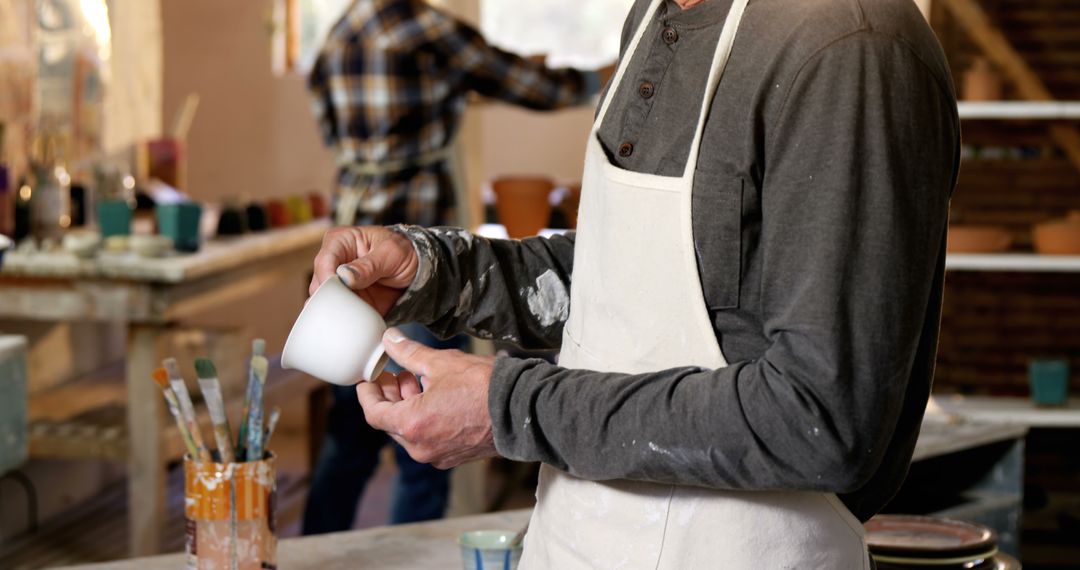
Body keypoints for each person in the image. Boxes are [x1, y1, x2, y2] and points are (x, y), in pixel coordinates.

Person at [309, 0, 961, 566]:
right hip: (576, 543)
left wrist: (511, 407)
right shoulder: (651, 17)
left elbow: (821, 419)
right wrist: (430, 269)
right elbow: (622, 281)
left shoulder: (849, 47)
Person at [300, 0, 612, 534]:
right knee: (422, 435)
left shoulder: (337, 35)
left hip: (351, 249)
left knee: (348, 434)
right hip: (415, 257)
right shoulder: (424, 27)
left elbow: (331, 129)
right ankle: (415, 553)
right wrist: (597, 79)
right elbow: (528, 84)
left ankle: (312, 552)